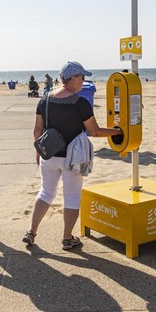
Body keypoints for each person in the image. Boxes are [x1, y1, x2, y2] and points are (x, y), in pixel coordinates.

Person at [22, 61, 122, 250]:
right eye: (82, 78)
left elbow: (37, 130)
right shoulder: (80, 103)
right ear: (73, 79)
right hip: (71, 158)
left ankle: (31, 231)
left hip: (49, 155)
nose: (83, 82)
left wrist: (38, 152)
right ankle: (67, 238)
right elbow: (94, 131)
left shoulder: (45, 100)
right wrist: (117, 132)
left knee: (45, 192)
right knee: (72, 197)